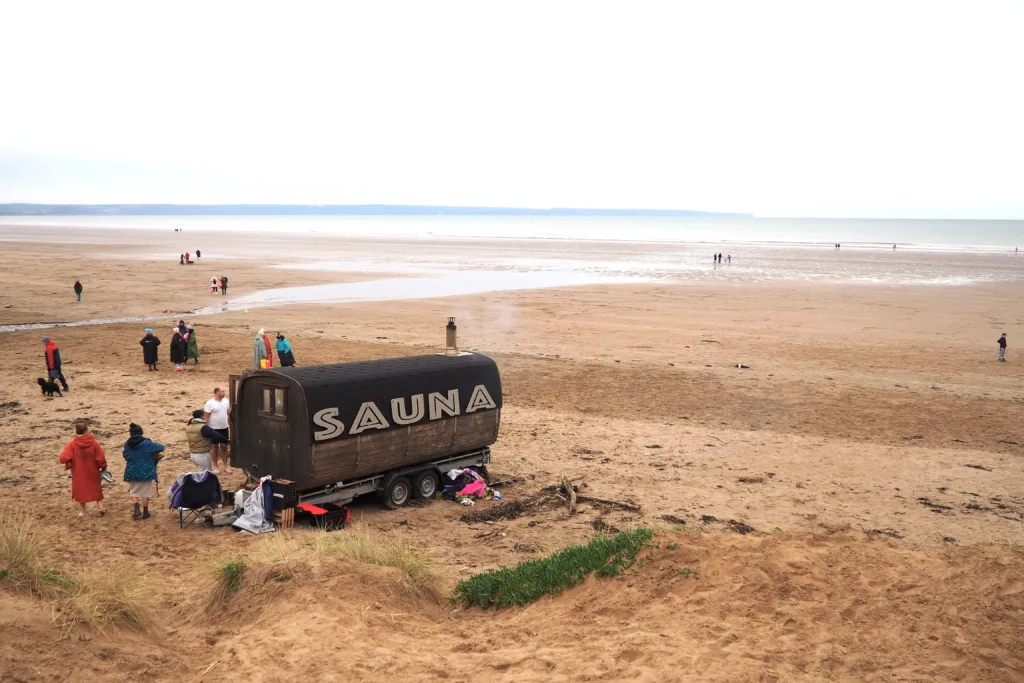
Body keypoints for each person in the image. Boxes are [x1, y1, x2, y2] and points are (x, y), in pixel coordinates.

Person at [59, 421, 107, 517]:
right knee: (95, 486)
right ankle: (100, 506)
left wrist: (69, 463)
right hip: (92, 469)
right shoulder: (93, 442)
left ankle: (83, 511)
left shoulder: (72, 444)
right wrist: (103, 467)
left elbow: (63, 458)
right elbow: (100, 456)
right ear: (86, 431)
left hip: (78, 471)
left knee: (80, 489)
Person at [122, 423, 164, 520]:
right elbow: (161, 448)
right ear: (141, 432)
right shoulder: (147, 443)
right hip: (146, 471)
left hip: (131, 470)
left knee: (134, 491)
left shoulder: (127, 444)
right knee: (145, 492)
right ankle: (145, 512)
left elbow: (125, 455)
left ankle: (136, 508)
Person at [204, 387, 231, 474]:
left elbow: (228, 413)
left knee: (224, 447)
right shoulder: (210, 403)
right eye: (222, 391)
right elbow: (206, 416)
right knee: (214, 447)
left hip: (224, 427)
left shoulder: (226, 401)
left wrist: (229, 424)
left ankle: (225, 465)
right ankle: (216, 466)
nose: (224, 393)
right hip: (213, 428)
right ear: (217, 392)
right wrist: (206, 428)